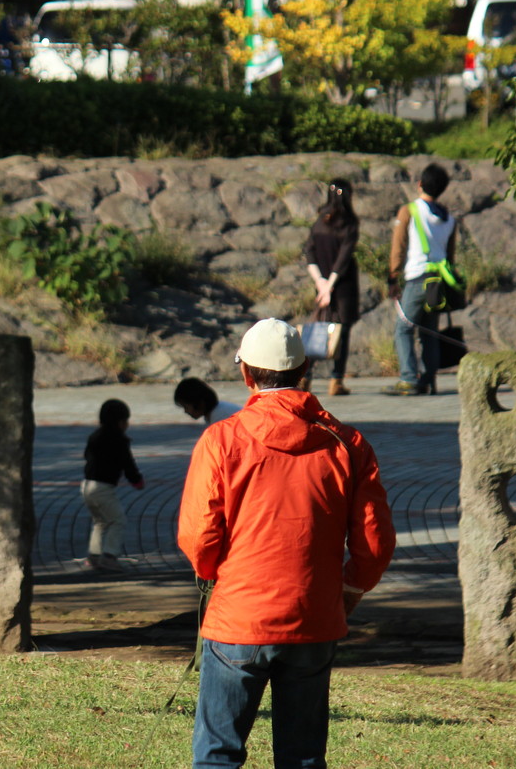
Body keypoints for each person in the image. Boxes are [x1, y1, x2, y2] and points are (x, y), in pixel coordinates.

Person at [177, 318, 395, 768]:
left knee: (218, 755)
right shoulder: (348, 444)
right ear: (305, 369)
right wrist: (349, 590)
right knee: (302, 757)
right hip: (314, 617)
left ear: (246, 374)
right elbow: (375, 542)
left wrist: (214, 575)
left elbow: (199, 536)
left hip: (238, 616)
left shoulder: (221, 440)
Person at [383, 164, 457, 396]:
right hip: (440, 280)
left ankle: (408, 378)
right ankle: (428, 379)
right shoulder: (449, 218)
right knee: (430, 332)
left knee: (403, 328)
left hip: (417, 278)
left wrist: (393, 275)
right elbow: (450, 254)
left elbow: (399, 246)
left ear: (420, 184)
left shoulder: (410, 210)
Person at [303, 178, 360, 397]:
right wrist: (330, 286)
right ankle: (336, 380)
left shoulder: (320, 221)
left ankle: (305, 377)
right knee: (342, 332)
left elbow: (309, 251)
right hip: (343, 287)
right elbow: (343, 258)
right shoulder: (349, 223)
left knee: (317, 330)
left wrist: (320, 283)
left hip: (321, 285)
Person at [81, 399, 144, 573]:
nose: (127, 425)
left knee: (100, 522)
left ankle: (94, 556)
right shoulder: (119, 440)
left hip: (87, 486)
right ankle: (109, 557)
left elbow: (87, 456)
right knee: (118, 520)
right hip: (103, 488)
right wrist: (137, 481)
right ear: (120, 422)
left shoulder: (94, 436)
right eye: (126, 421)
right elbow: (128, 463)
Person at [174, 377, 240, 426]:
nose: (185, 411)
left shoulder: (221, 417)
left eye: (186, 407)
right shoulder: (216, 412)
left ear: (199, 403)